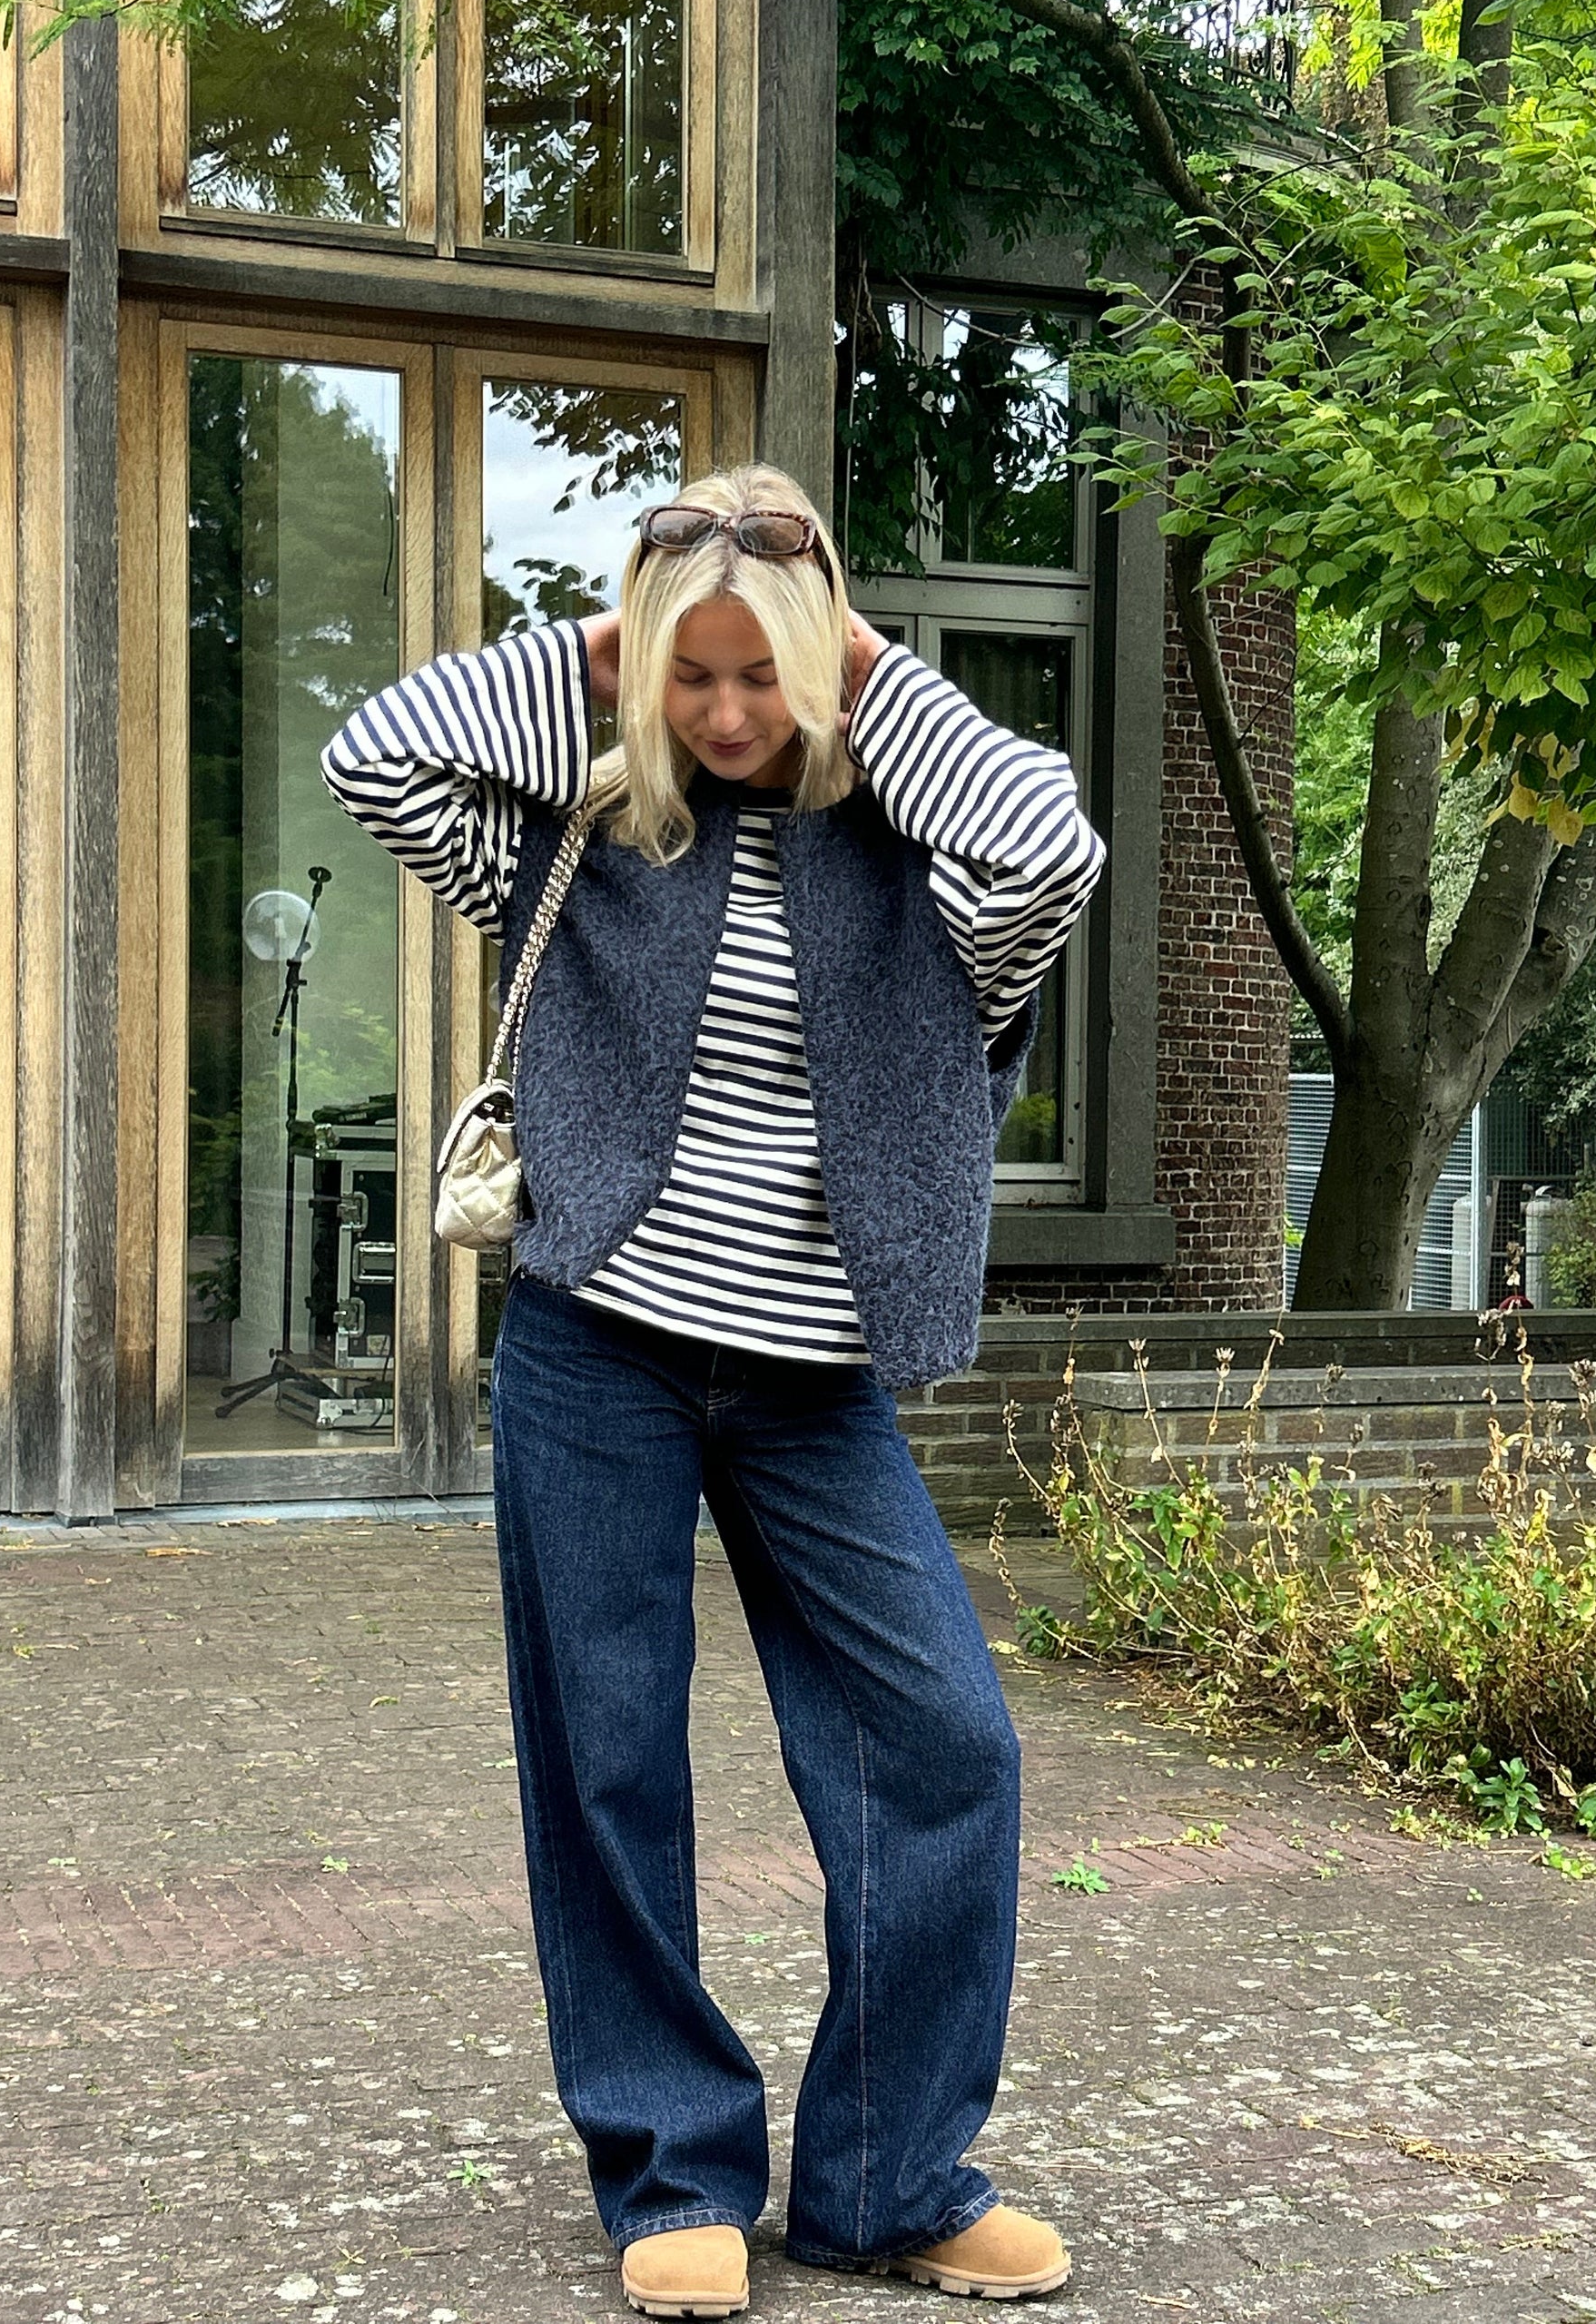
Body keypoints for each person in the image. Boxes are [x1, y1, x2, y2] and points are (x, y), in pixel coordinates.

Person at [321, 462, 1106, 2317]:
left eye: (767, 676)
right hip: (596, 1346)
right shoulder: (582, 830)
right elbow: (377, 754)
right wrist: (613, 642)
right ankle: (668, 2165)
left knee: (944, 1745)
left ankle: (882, 2178)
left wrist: (859, 665)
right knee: (606, 1752)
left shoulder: (930, 860)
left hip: (816, 1382)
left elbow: (1050, 846)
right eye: (696, 676)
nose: (731, 713)